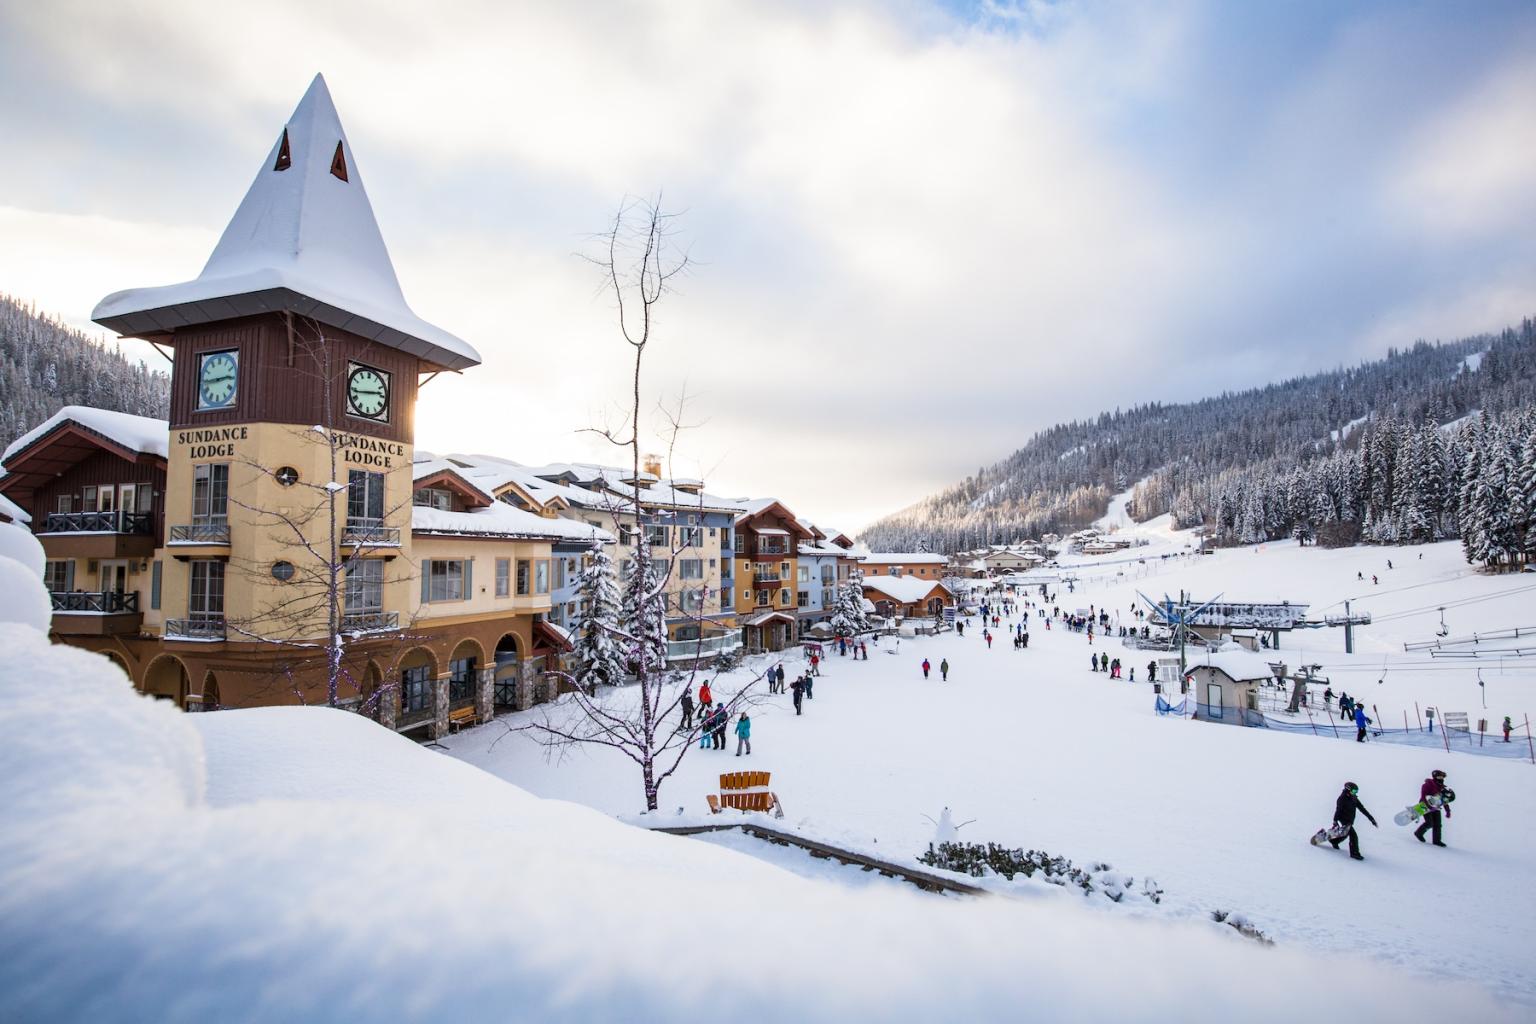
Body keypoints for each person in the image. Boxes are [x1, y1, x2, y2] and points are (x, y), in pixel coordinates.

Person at [1330, 781, 1377, 860]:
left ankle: (1334, 841)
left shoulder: (1354, 798)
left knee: (1345, 833)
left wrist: (1371, 819)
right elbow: (1338, 810)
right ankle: (1354, 853)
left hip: (1350, 819)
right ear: (1348, 789)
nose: (1355, 793)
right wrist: (1335, 821)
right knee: (1353, 835)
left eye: (1356, 791)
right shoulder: (1342, 799)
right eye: (1354, 791)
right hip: (1343, 819)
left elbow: (1362, 808)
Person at [1414, 770, 1450, 846]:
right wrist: (1428, 806)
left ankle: (1437, 841)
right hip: (1425, 806)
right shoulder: (1427, 785)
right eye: (1439, 776)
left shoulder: (1443, 788)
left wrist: (1447, 810)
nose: (1441, 778)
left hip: (1436, 807)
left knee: (1438, 825)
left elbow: (1444, 800)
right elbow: (1423, 796)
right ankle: (1418, 833)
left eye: (1442, 777)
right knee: (1429, 823)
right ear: (1434, 777)